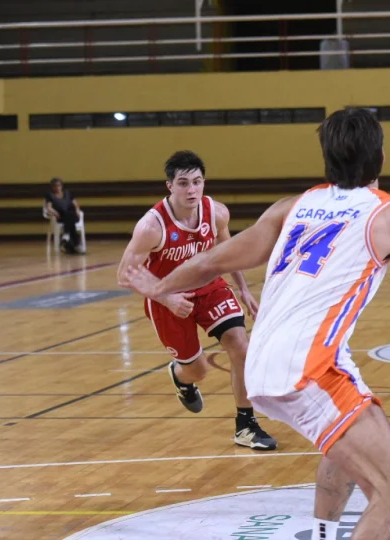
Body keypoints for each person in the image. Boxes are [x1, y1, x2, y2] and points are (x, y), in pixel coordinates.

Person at [119, 108, 390, 540]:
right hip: (309, 365)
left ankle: (324, 533)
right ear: (380, 157)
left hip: (262, 360)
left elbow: (212, 260)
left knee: (349, 436)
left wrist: (159, 287)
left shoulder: (292, 207)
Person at [116, 150, 277, 451]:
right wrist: (166, 298)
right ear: (170, 186)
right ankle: (182, 377)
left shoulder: (216, 213)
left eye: (197, 182)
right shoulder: (151, 227)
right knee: (197, 370)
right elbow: (125, 274)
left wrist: (243, 289)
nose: (191, 190)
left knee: (240, 346)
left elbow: (229, 251)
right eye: (183, 183)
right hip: (167, 296)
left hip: (209, 286)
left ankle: (246, 425)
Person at [45, 177, 84, 254]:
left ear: (61, 186)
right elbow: (49, 207)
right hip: (61, 216)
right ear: (52, 187)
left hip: (73, 215)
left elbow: (76, 205)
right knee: (71, 223)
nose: (57, 187)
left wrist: (77, 210)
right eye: (55, 186)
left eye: (59, 185)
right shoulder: (50, 195)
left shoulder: (68, 193)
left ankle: (66, 236)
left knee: (70, 214)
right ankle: (76, 245)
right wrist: (55, 212)